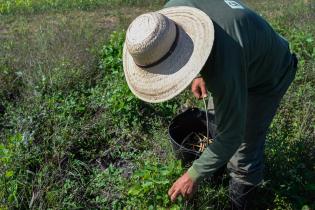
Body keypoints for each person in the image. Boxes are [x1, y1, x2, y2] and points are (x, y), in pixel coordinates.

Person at [122, 0, 298, 209]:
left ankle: (242, 200)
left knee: (243, 151)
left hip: (268, 74)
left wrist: (193, 175)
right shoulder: (169, 18)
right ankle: (218, 169)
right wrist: (198, 71)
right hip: (240, 52)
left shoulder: (223, 69)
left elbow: (232, 135)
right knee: (217, 121)